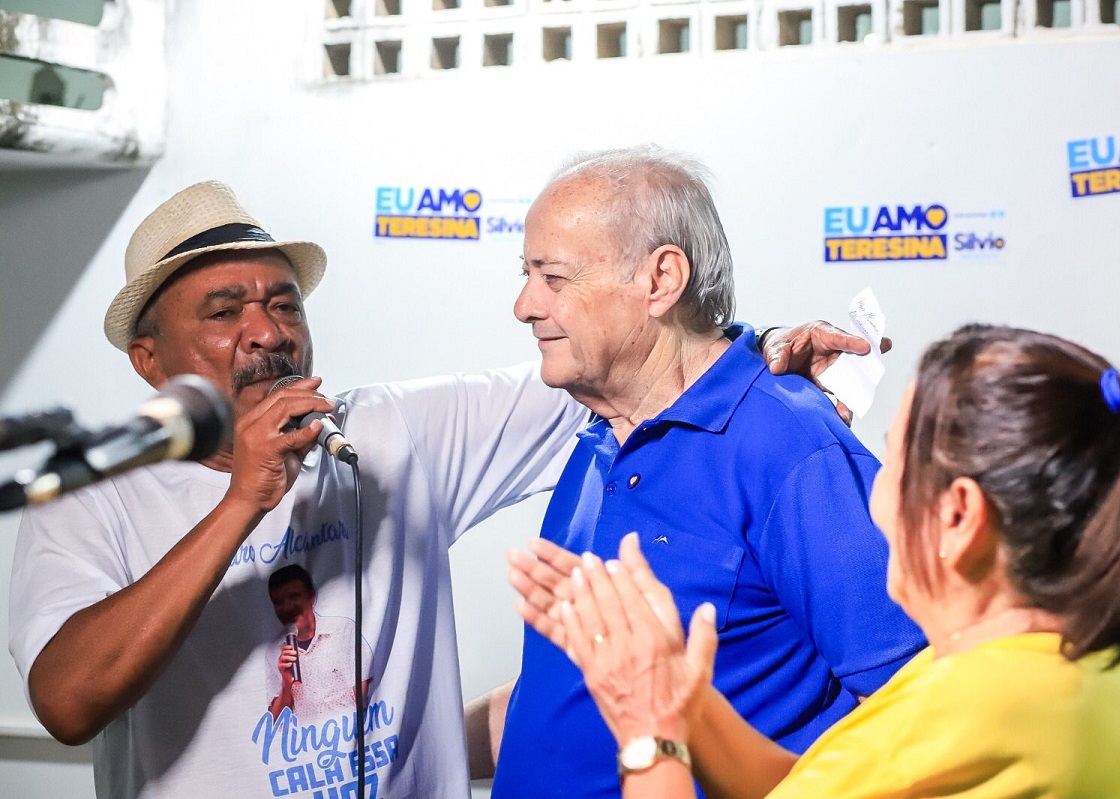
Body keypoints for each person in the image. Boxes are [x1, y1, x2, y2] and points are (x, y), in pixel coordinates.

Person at [7, 179, 863, 798]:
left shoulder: (386, 432)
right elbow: (67, 701)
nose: (268, 331)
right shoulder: (96, 495)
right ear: (149, 359)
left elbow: (637, 357)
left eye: (284, 303)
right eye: (225, 312)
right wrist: (243, 503)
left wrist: (768, 345)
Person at [516, 323, 1120, 798]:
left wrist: (649, 731)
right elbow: (826, 784)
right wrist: (687, 701)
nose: (868, 492)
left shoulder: (966, 718)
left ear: (959, 517)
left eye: (891, 461)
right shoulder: (1060, 661)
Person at [483, 146, 924, 799]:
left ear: (661, 279)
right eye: (525, 273)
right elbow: (574, 687)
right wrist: (406, 741)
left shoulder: (792, 448)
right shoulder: (601, 430)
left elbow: (916, 721)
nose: (524, 304)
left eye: (553, 276)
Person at [266, 564, 372, 722]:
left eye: (294, 597)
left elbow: (368, 689)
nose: (287, 607)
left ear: (312, 597)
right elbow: (275, 722)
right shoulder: (275, 650)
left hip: (347, 738)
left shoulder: (342, 631)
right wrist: (286, 683)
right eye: (279, 602)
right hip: (306, 744)